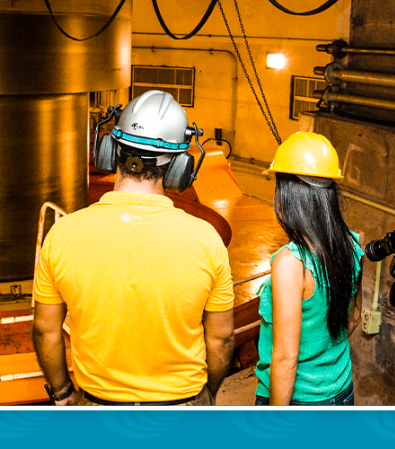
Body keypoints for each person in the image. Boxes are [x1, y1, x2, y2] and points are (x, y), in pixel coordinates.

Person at [32, 90, 235, 406]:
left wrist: (62, 393)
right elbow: (221, 340)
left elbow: (46, 332)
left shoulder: (62, 235)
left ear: (107, 149)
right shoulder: (206, 240)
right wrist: (205, 394)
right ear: (181, 165)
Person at [253, 132, 363, 406]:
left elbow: (285, 359)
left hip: (303, 400)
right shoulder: (349, 243)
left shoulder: (291, 263)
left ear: (288, 196)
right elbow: (346, 319)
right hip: (341, 390)